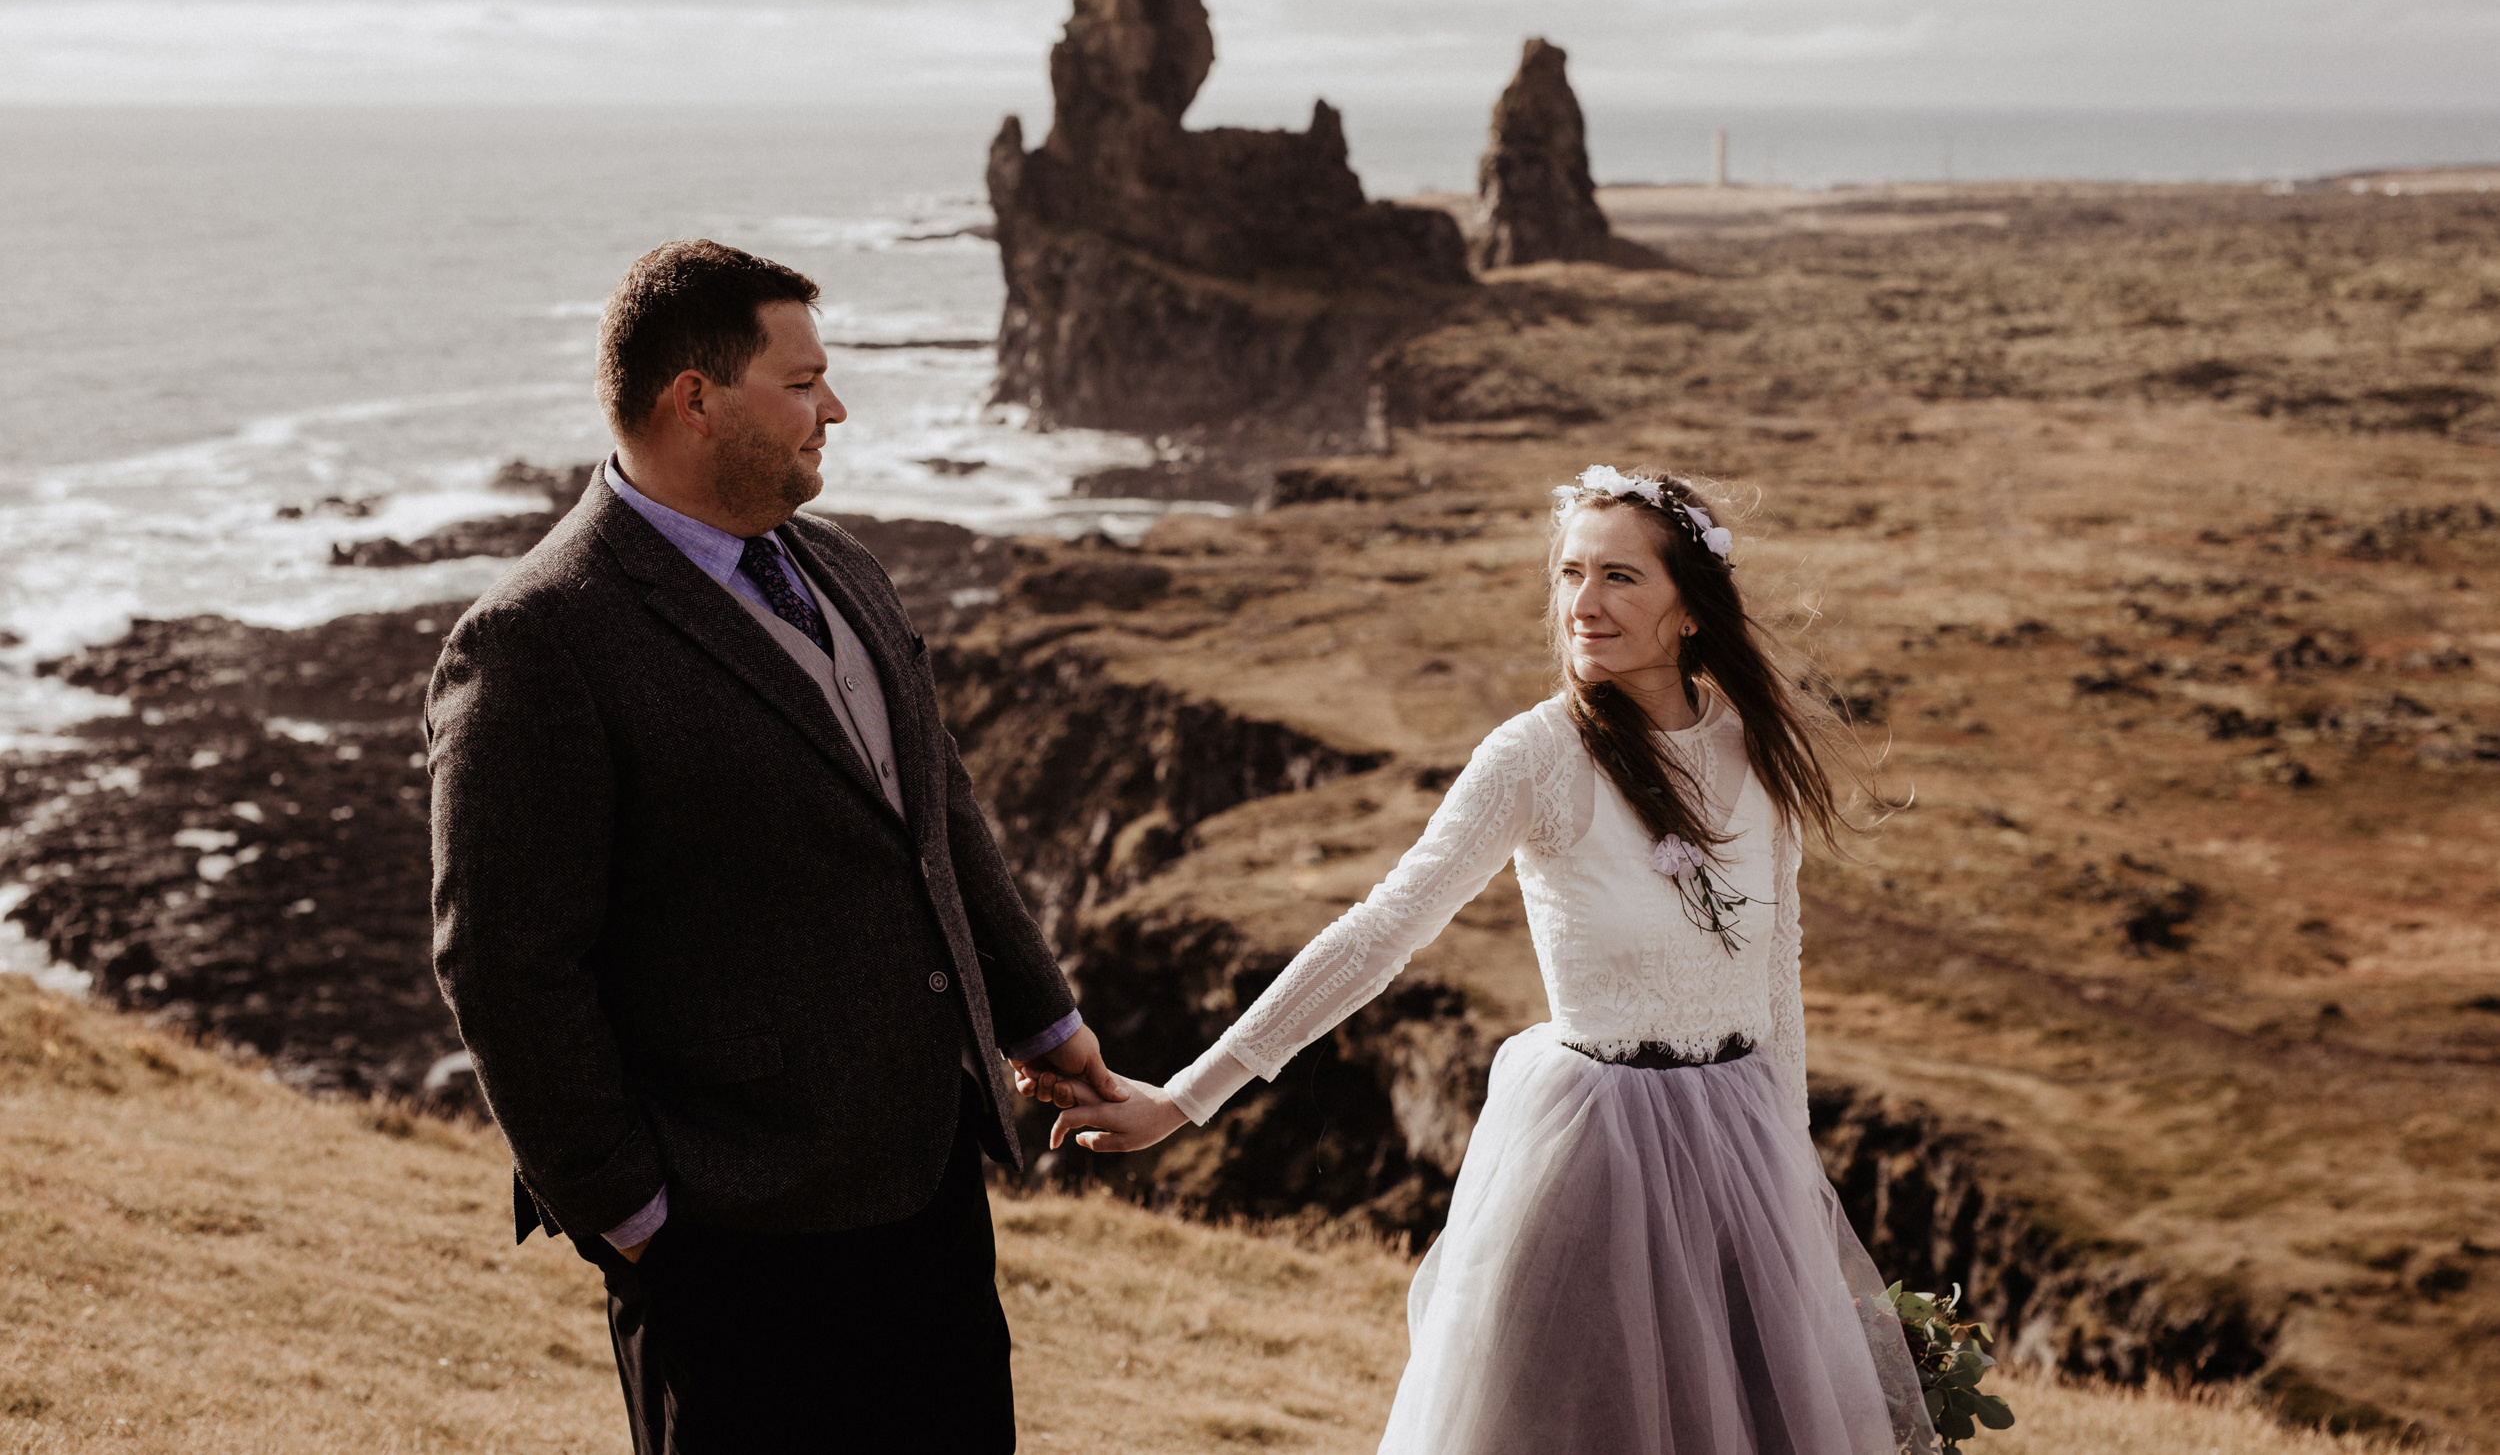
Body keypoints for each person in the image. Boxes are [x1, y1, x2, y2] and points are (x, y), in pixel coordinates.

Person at [1035, 464, 1937, 1455]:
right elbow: (1379, 930)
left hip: (1744, 1158)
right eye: (1569, 574)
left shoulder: (1753, 745)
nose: (1582, 605)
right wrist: (1185, 1096)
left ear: (1691, 608)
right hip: (1598, 1165)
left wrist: (1793, 1184)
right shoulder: (1535, 756)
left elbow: (1776, 975)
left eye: (1619, 577)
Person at [427, 238, 1121, 1453]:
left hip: (927, 1189)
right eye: (801, 383)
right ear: (693, 398)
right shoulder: (539, 638)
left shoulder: (842, 565)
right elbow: (505, 961)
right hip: (725, 1233)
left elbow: (936, 810)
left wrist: (1041, 1018)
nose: (833, 407)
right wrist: (628, 1208)